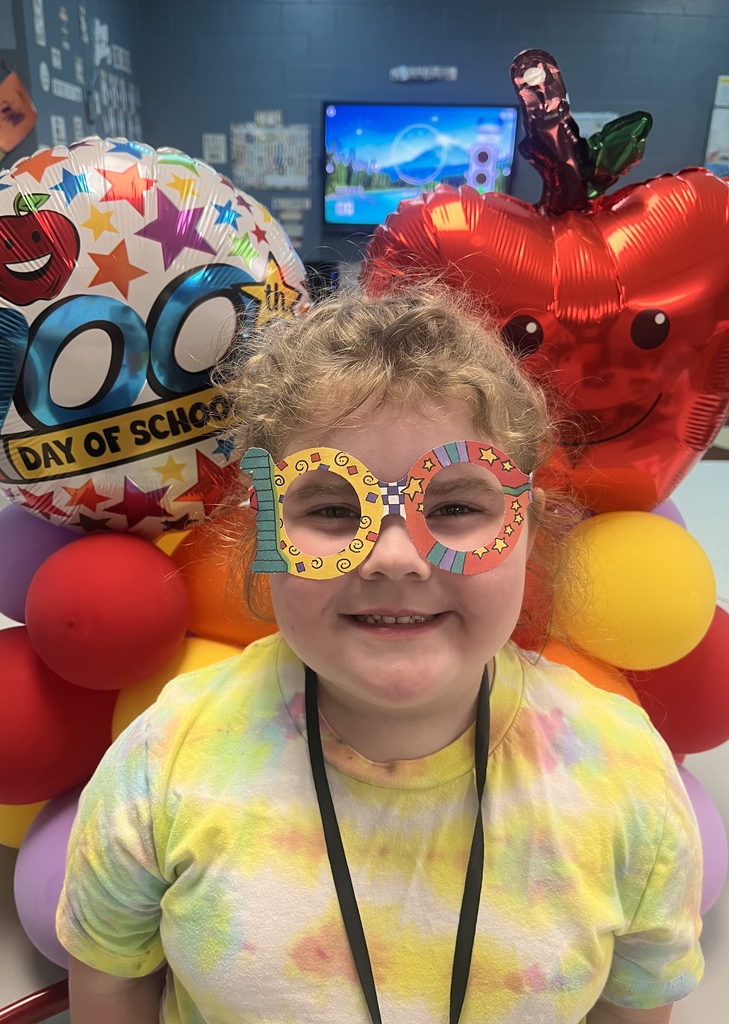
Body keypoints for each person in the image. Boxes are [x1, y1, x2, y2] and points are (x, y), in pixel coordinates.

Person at [57, 287, 704, 1024]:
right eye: (333, 509)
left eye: (456, 507)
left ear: (526, 528)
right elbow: (112, 982)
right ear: (264, 534)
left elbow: (632, 1004)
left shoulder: (624, 780)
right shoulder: (163, 763)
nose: (395, 557)